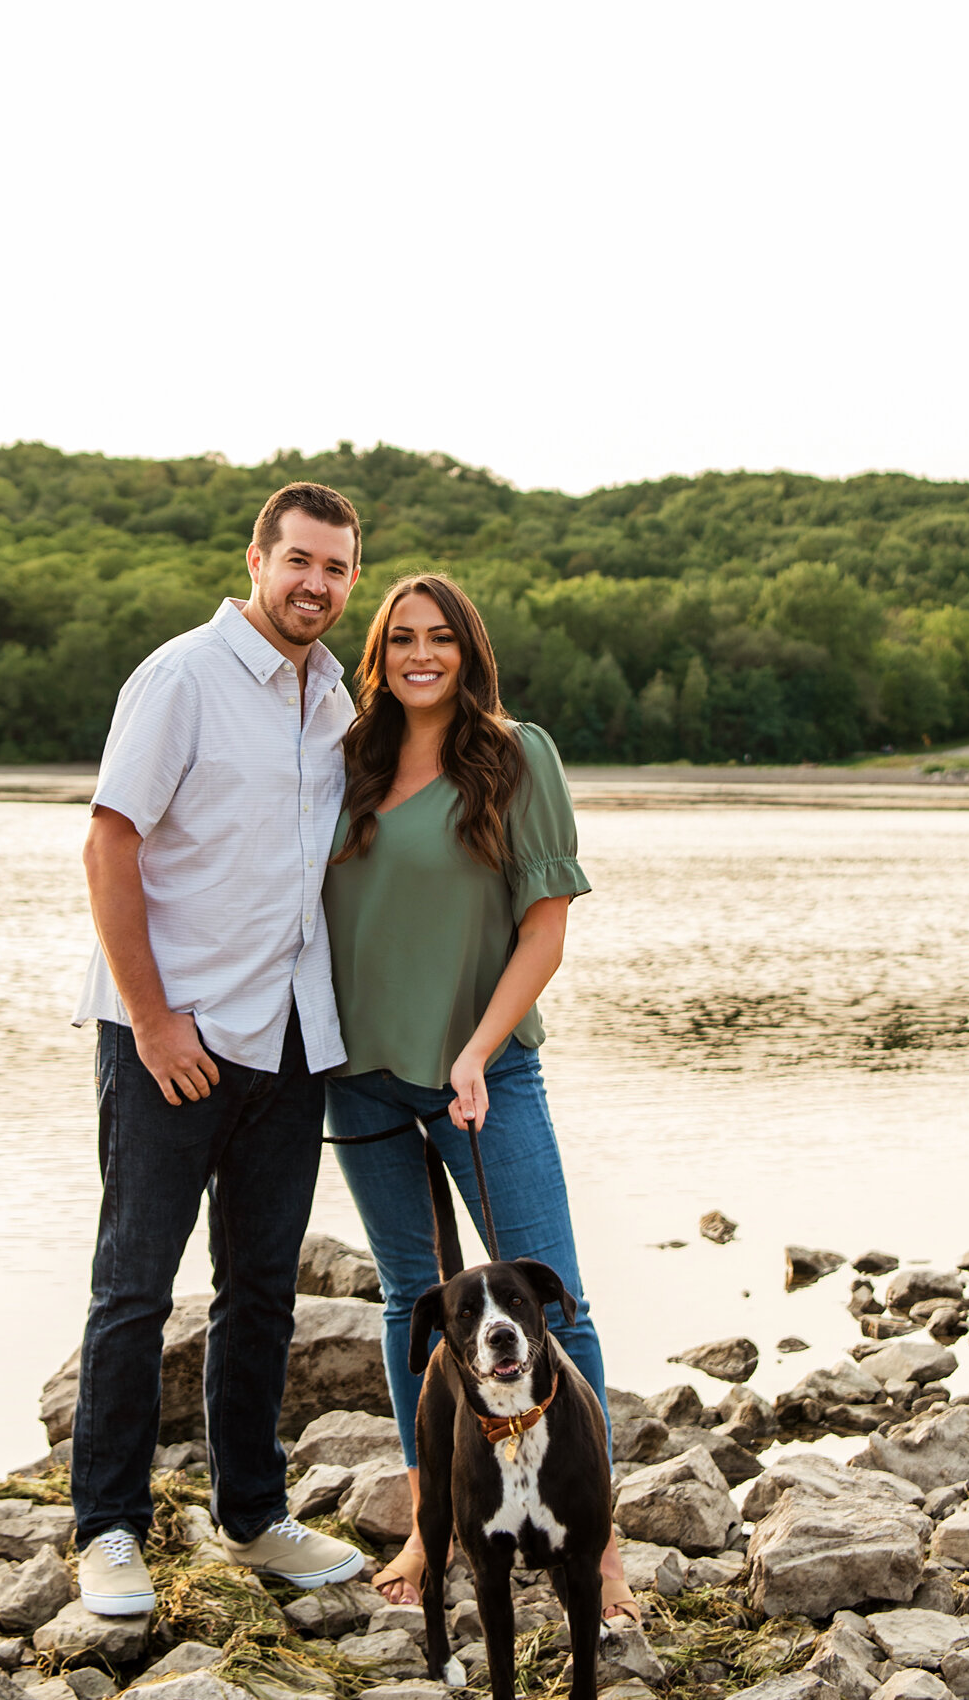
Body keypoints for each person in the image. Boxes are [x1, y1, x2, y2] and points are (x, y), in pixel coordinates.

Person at [69, 482, 368, 1617]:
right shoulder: (182, 676)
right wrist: (152, 1018)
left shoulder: (334, 695)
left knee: (263, 1291)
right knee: (134, 1287)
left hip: (292, 1039)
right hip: (174, 1035)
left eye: (336, 569)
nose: (315, 585)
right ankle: (107, 1526)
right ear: (256, 557)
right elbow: (108, 846)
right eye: (298, 560)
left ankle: (252, 1512)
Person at [323, 573, 639, 1620]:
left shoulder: (515, 754)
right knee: (413, 1308)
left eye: (441, 637)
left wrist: (475, 1050)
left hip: (483, 1077)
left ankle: (599, 1554)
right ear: (381, 652)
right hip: (363, 1079)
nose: (422, 654)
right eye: (402, 637)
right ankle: (431, 1527)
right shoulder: (348, 762)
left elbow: (544, 929)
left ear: (469, 649)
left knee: (560, 1304)